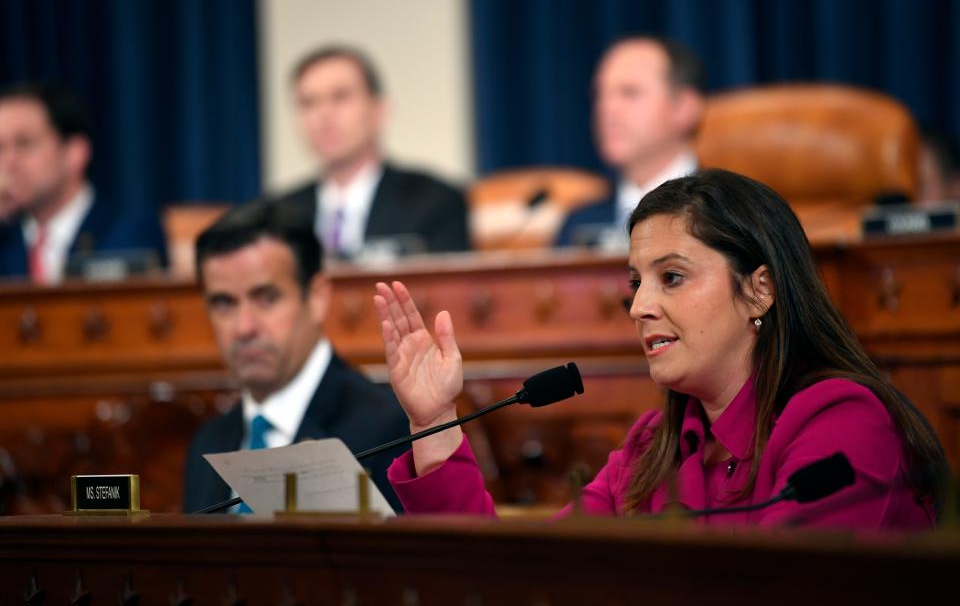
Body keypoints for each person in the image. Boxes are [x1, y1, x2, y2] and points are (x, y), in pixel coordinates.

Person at [375, 168, 946, 529]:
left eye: (671, 277)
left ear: (759, 289)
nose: (640, 305)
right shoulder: (653, 451)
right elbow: (521, 582)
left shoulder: (842, 421)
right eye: (636, 282)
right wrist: (437, 421)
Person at [182, 200, 408, 513]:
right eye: (224, 303)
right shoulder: (208, 443)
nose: (244, 327)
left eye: (266, 298)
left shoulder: (388, 427)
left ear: (316, 298)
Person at [273, 45, 470, 261]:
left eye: (340, 97)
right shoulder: (278, 215)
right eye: (308, 103)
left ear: (379, 110)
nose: (323, 115)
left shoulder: (434, 201)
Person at [0, 82, 167, 283]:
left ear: (75, 153)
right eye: (0, 147)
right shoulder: (6, 237)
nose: (8, 161)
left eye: (24, 143)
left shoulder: (130, 229)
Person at [556, 35, 704, 247]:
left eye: (629, 92)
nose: (606, 109)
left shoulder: (732, 214)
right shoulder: (577, 226)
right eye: (599, 95)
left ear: (684, 108)